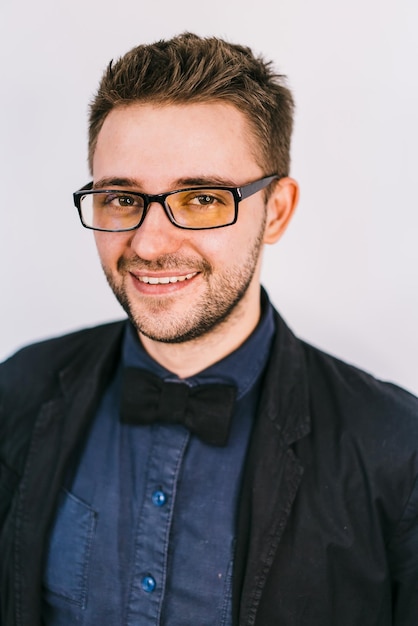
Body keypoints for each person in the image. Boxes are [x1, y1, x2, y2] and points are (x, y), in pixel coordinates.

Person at [1, 32, 417, 626]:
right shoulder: (18, 389)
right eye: (121, 197)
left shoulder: (398, 451)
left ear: (275, 210)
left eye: (200, 199)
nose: (147, 242)